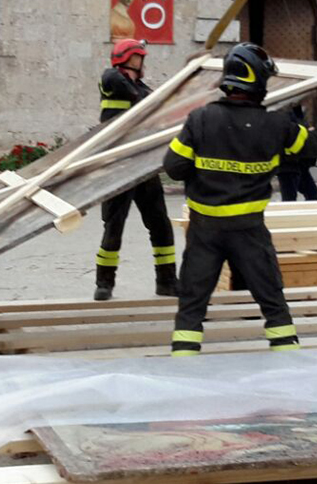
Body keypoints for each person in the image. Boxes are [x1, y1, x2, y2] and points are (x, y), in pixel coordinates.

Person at [161, 43, 317, 356]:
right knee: (273, 305)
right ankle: (290, 367)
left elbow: (173, 168)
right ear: (258, 82)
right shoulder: (277, 125)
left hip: (204, 230)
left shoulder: (200, 120)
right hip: (249, 232)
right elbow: (315, 145)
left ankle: (184, 366)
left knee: (191, 308)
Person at [93, 39, 178, 301]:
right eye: (140, 57)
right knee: (114, 226)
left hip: (142, 165)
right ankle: (104, 284)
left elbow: (155, 103)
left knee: (160, 224)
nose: (143, 62)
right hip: (118, 166)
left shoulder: (140, 87)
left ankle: (166, 282)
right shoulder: (112, 79)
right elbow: (136, 97)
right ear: (131, 58)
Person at [275, 106, 317, 202]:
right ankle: (288, 216)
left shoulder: (296, 108)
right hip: (287, 163)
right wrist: (307, 130)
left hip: (299, 162)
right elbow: (291, 129)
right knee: (289, 199)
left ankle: (304, 216)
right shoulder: (284, 109)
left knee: (313, 195)